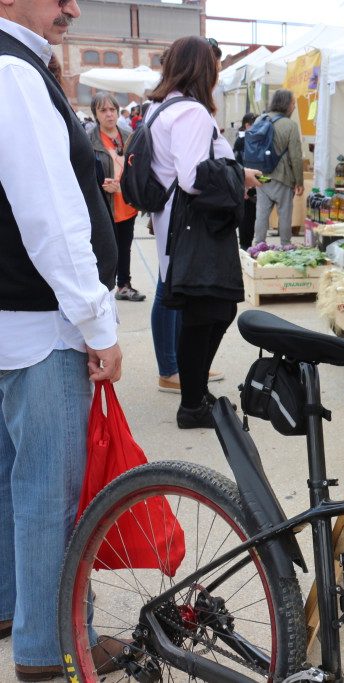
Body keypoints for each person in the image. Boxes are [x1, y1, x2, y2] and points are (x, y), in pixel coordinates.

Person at [0, 1, 124, 679]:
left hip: (9, 315)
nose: (71, 7)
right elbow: (49, 214)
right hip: (37, 321)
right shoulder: (15, 73)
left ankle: (10, 607)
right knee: (48, 492)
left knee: (9, 479)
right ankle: (48, 649)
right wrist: (96, 322)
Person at [146, 35, 260, 428]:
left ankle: (196, 393)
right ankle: (193, 402)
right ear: (203, 69)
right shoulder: (191, 113)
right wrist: (236, 173)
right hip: (198, 228)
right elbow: (194, 177)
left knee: (213, 310)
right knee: (207, 312)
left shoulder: (160, 107)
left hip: (179, 226)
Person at [89, 91, 144, 302]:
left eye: (112, 109)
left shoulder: (128, 134)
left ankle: (123, 285)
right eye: (103, 110)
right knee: (103, 250)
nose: (109, 114)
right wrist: (101, 184)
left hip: (126, 203)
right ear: (95, 113)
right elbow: (84, 173)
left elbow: (137, 166)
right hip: (104, 206)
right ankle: (102, 289)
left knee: (125, 247)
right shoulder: (90, 140)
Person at [253, 89, 304, 245]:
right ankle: (286, 246)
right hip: (281, 177)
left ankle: (258, 245)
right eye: (293, 103)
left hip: (261, 175)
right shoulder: (290, 125)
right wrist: (299, 182)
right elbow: (296, 157)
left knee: (261, 213)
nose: (294, 106)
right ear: (286, 104)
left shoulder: (259, 120)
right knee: (285, 214)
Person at [234, 111, 258, 249]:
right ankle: (245, 245)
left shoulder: (250, 139)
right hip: (245, 181)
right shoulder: (241, 140)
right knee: (247, 214)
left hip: (253, 180)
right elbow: (237, 161)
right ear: (247, 125)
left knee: (252, 214)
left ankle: (247, 244)